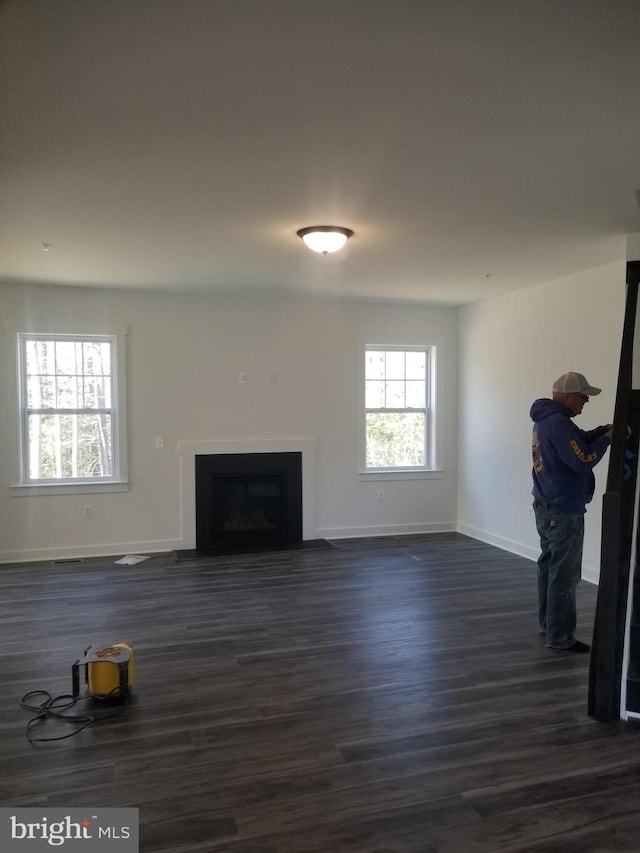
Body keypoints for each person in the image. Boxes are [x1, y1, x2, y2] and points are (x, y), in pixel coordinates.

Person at [531, 371, 613, 653]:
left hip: (546, 505)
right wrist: (607, 441)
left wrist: (602, 431)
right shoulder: (559, 424)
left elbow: (577, 443)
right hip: (564, 510)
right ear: (566, 397)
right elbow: (582, 460)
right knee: (564, 576)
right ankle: (560, 636)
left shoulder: (547, 420)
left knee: (549, 569)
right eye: (582, 397)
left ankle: (548, 625)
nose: (586, 402)